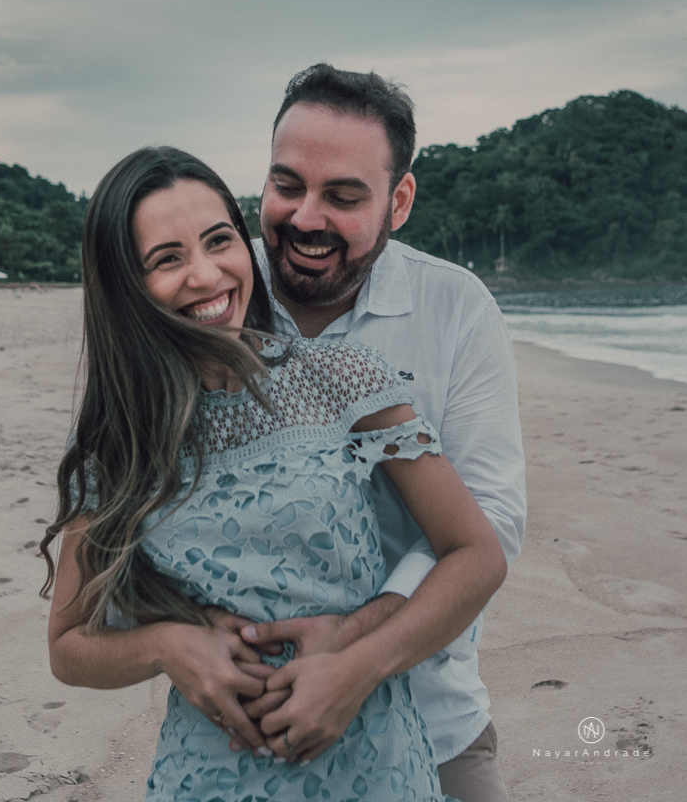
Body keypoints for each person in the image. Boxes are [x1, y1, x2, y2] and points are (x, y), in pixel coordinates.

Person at [41, 145, 507, 801]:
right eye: (167, 259)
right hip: (209, 778)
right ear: (126, 285)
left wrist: (358, 665)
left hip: (375, 765)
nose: (205, 275)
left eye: (218, 241)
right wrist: (166, 647)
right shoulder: (115, 443)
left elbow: (476, 554)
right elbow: (69, 645)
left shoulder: (342, 381)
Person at [222, 64, 526, 802]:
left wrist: (356, 648)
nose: (305, 217)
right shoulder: (217, 298)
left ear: (399, 201)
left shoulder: (453, 307)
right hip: (246, 731)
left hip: (433, 717)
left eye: (344, 196)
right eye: (286, 185)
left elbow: (492, 522)